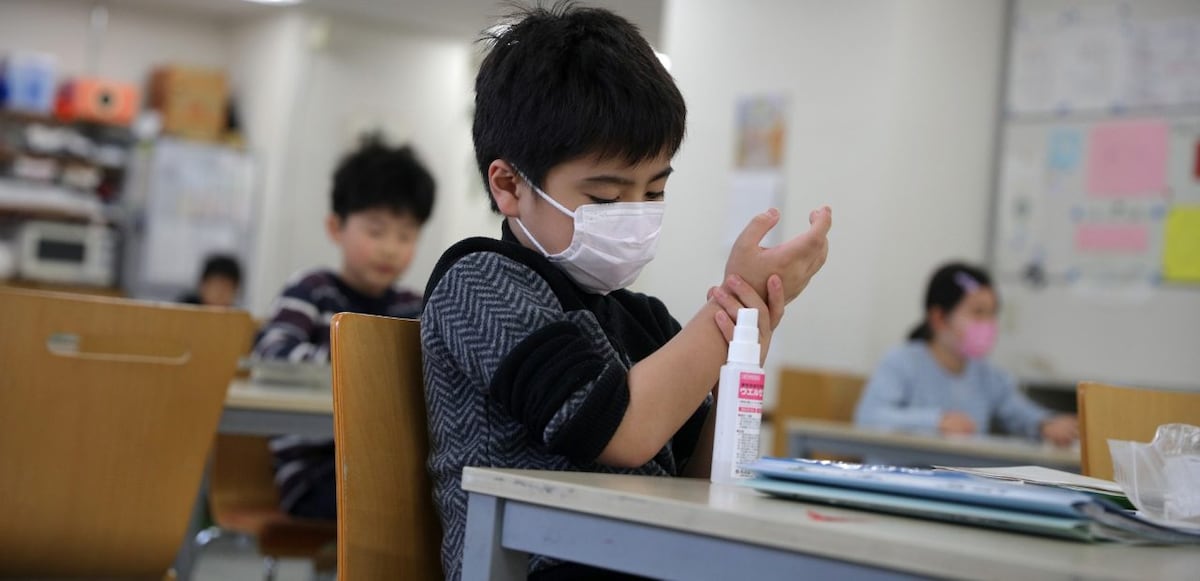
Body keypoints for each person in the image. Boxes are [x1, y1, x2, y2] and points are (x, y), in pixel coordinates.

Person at [419, 4, 832, 579]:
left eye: (655, 191)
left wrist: (743, 338)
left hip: (643, 559)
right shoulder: (480, 281)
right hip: (535, 565)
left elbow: (698, 482)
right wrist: (722, 314)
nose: (635, 216)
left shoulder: (642, 320)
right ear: (510, 185)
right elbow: (618, 431)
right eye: (608, 198)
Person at [252, 136, 436, 520]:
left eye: (405, 236)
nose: (390, 248)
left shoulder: (414, 307)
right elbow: (273, 355)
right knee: (401, 511)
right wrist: (371, 368)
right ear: (336, 227)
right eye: (376, 231)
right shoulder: (312, 292)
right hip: (314, 472)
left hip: (387, 465)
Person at [854, 262, 1077, 446]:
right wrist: (936, 422)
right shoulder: (902, 362)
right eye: (978, 312)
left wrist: (1046, 425)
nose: (988, 324)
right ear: (939, 318)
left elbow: (1021, 413)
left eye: (992, 313)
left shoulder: (987, 375)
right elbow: (868, 418)